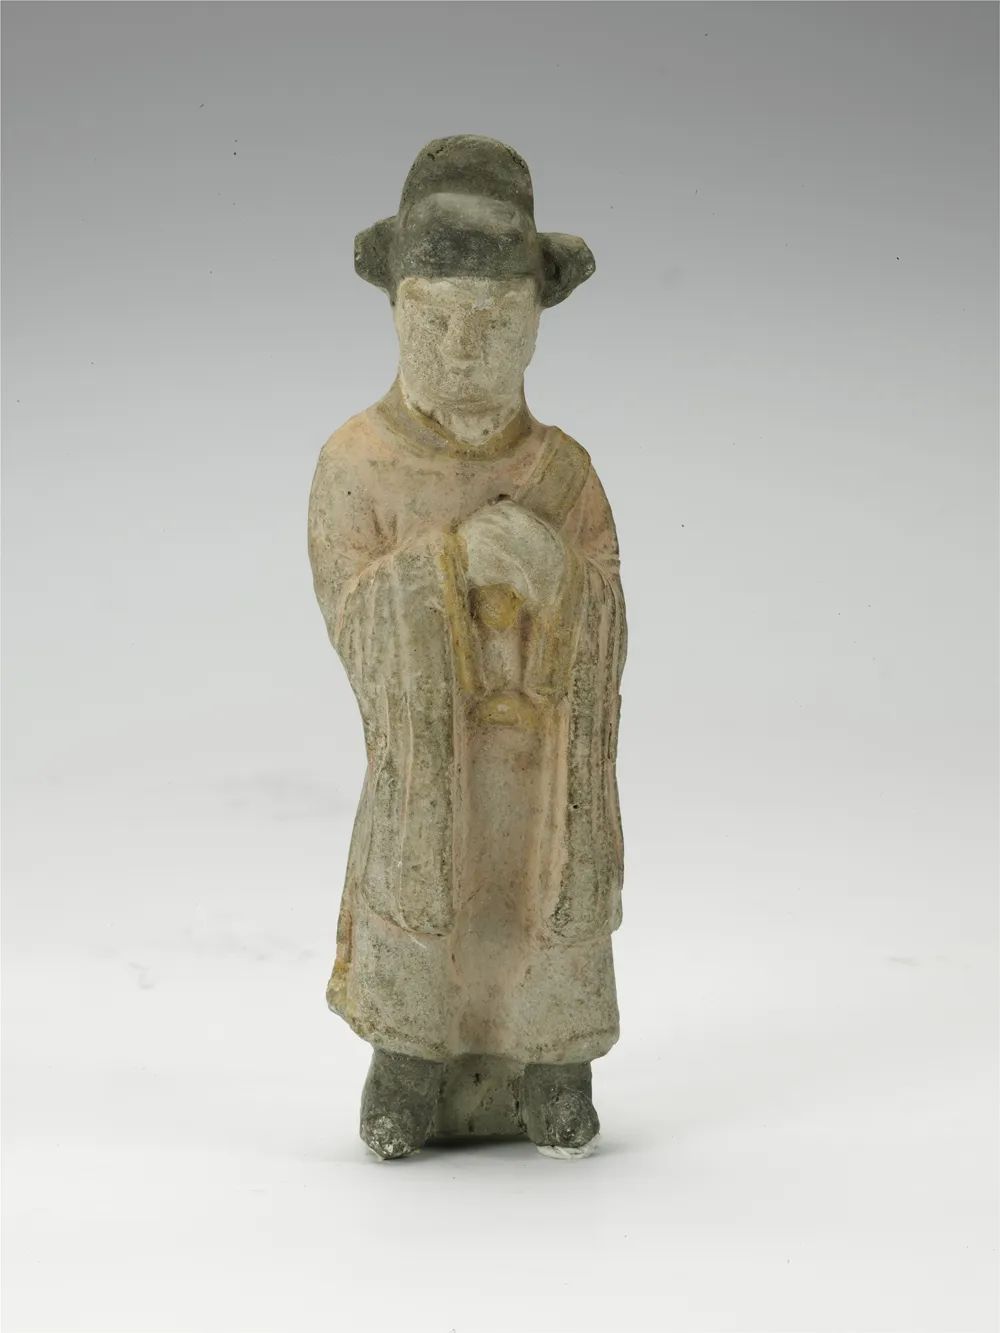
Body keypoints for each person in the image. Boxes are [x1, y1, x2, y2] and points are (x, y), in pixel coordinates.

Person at [308, 135, 626, 1159]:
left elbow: (608, 613)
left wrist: (560, 579)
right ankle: (408, 1061)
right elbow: (350, 615)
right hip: (427, 764)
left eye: (492, 324)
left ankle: (552, 1065)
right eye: (433, 319)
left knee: (542, 882)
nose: (460, 349)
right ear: (396, 313)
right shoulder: (357, 464)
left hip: (540, 760)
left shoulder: (564, 472)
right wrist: (443, 565)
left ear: (534, 325)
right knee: (424, 878)